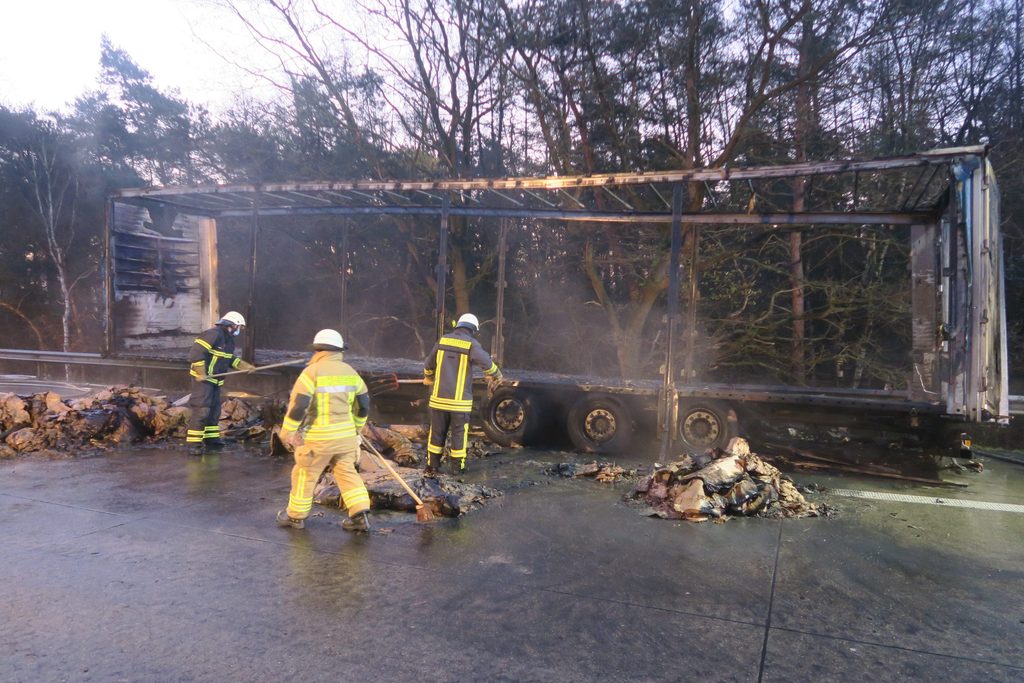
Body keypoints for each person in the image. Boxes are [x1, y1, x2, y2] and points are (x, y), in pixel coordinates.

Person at [276, 329, 373, 533]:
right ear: (339, 350)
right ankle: (360, 516)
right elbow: (364, 404)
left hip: (318, 440)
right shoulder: (351, 372)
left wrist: (287, 432)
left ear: (317, 350)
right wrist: (356, 427)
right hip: (345, 439)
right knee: (347, 474)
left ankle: (295, 517)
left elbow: (299, 406)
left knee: (305, 474)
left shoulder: (311, 373)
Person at [423, 313, 502, 475]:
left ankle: (432, 466)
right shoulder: (471, 344)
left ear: (458, 325)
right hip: (459, 404)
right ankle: (456, 469)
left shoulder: (443, 340)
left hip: (438, 401)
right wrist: (496, 374)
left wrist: (429, 377)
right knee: (459, 435)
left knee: (436, 433)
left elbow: (428, 364)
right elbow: (487, 364)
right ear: (473, 329)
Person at [186, 311, 254, 456]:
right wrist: (200, 371)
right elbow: (196, 352)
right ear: (232, 325)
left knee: (214, 411)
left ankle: (211, 439)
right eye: (239, 327)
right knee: (202, 410)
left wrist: (244, 366)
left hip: (215, 381)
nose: (239, 330)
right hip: (204, 381)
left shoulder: (228, 341)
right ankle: (194, 444)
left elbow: (228, 359)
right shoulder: (214, 334)